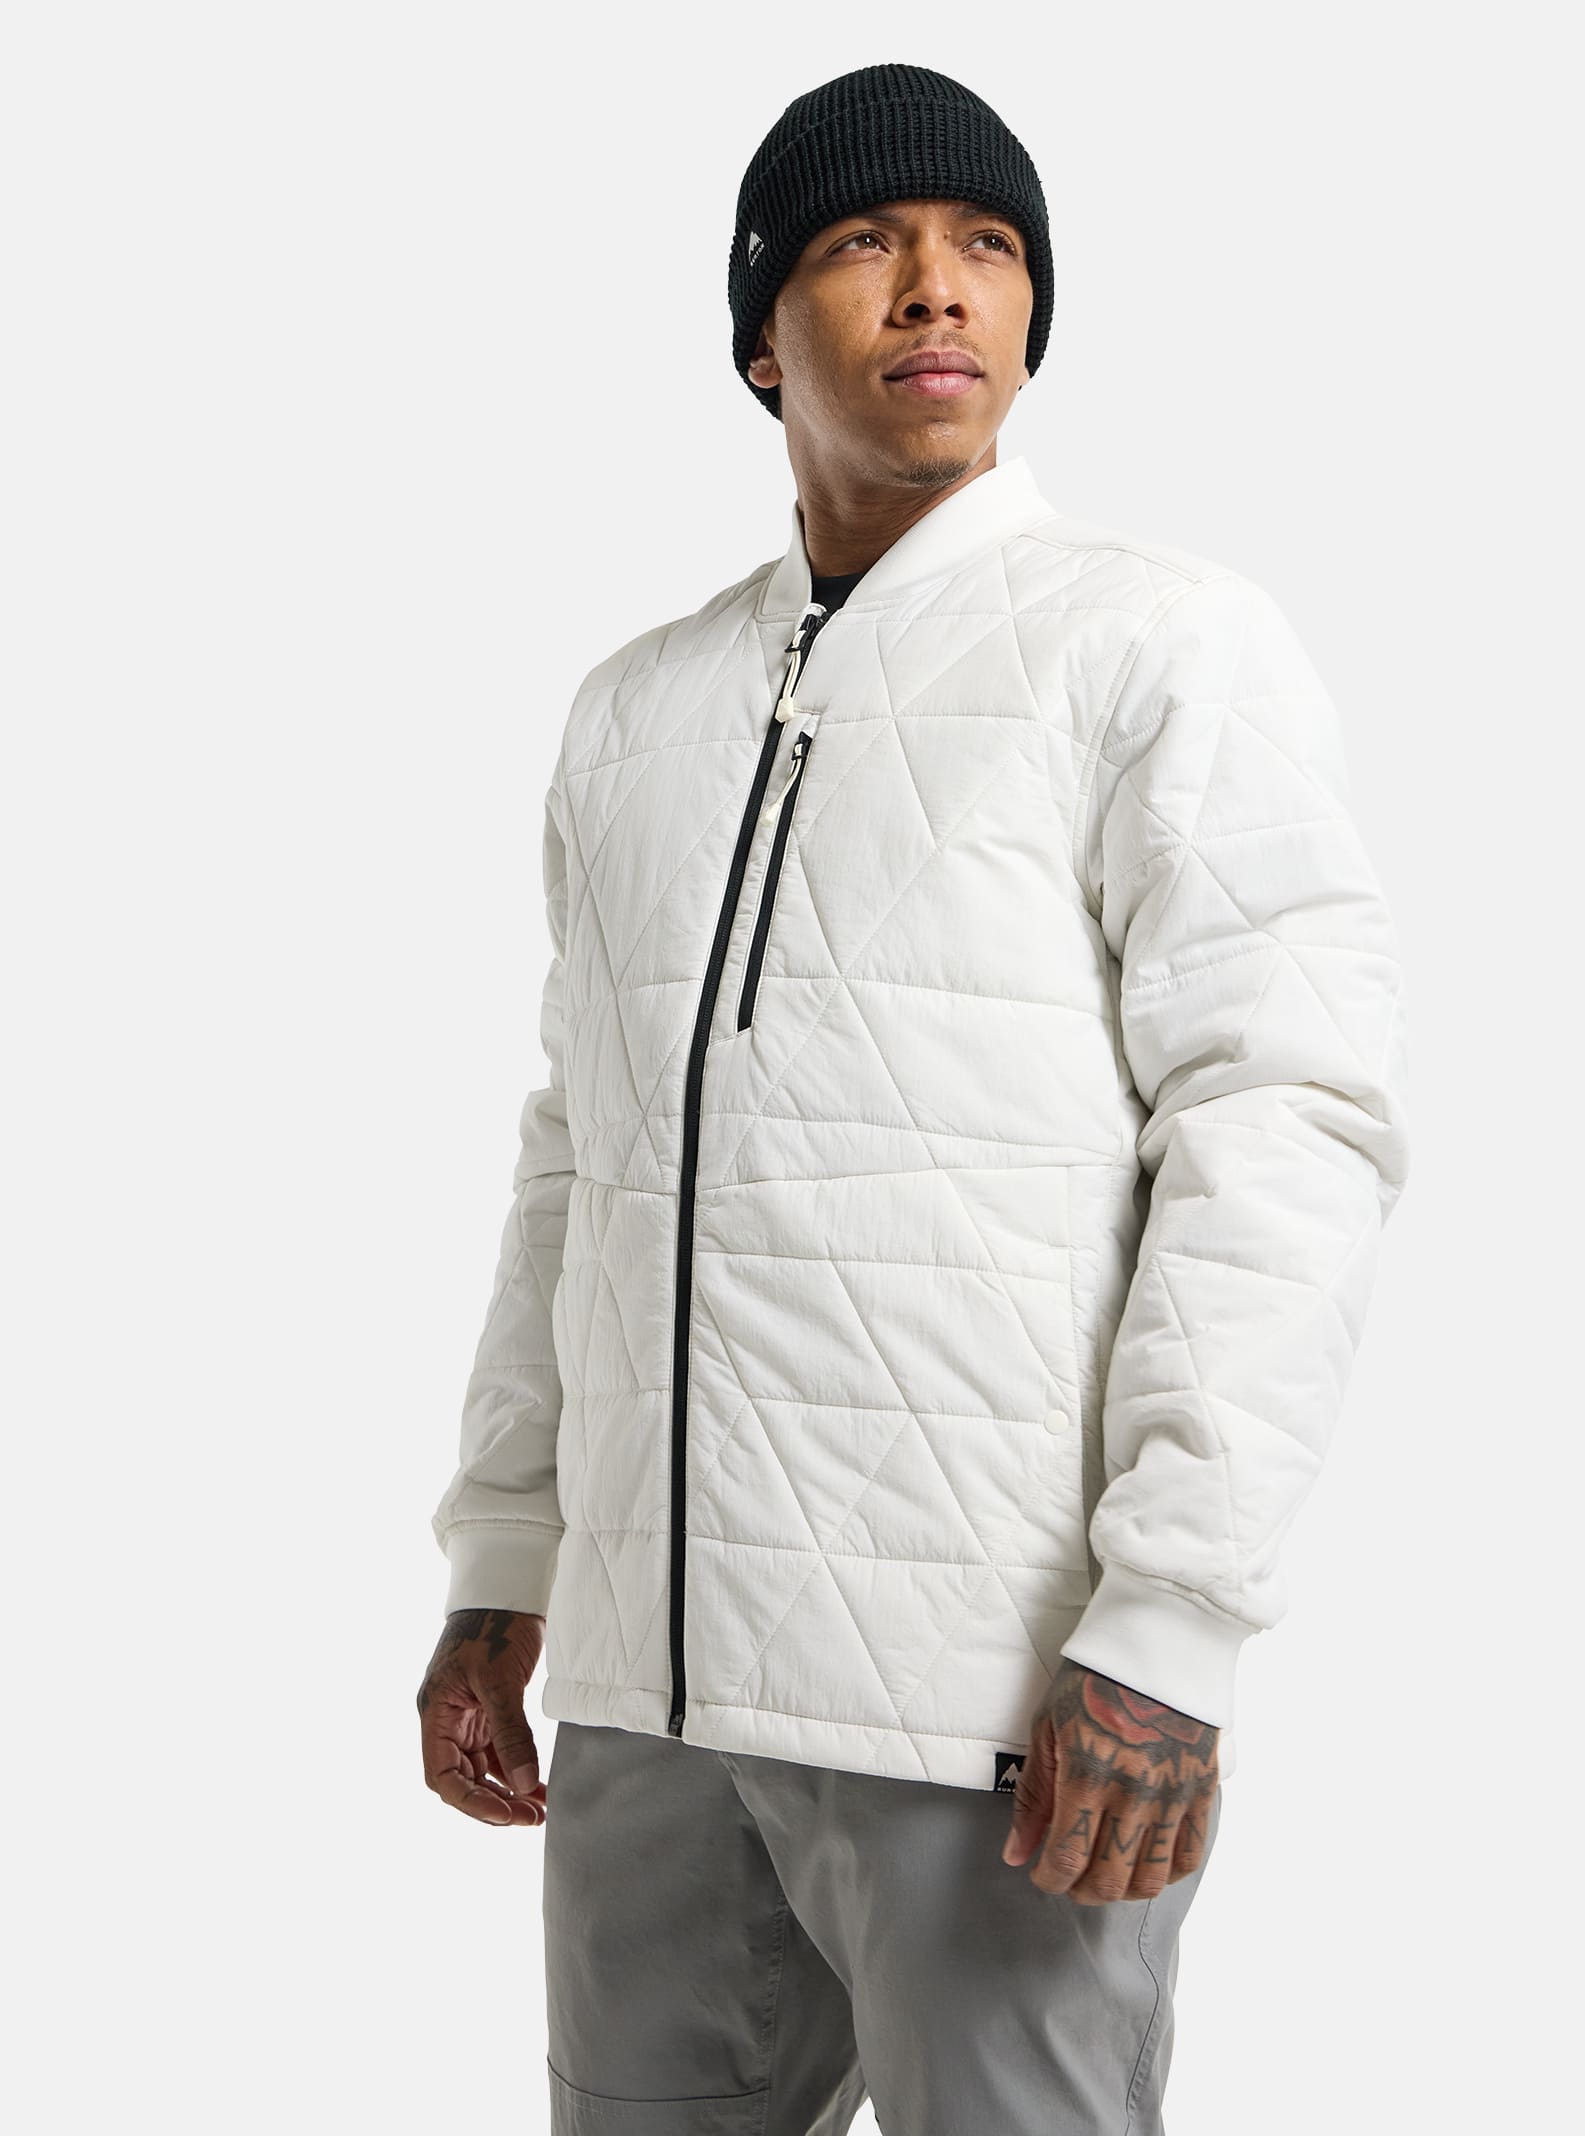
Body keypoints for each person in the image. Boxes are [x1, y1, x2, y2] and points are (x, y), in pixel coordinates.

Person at [416, 61, 1410, 2135]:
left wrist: (1172, 1616)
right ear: (757, 335)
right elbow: (577, 1157)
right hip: (649, 1703)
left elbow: (1282, 1126)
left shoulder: (1157, 646)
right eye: (864, 243)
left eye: (987, 247)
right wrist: (507, 1551)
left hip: (993, 1712)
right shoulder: (634, 712)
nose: (935, 288)